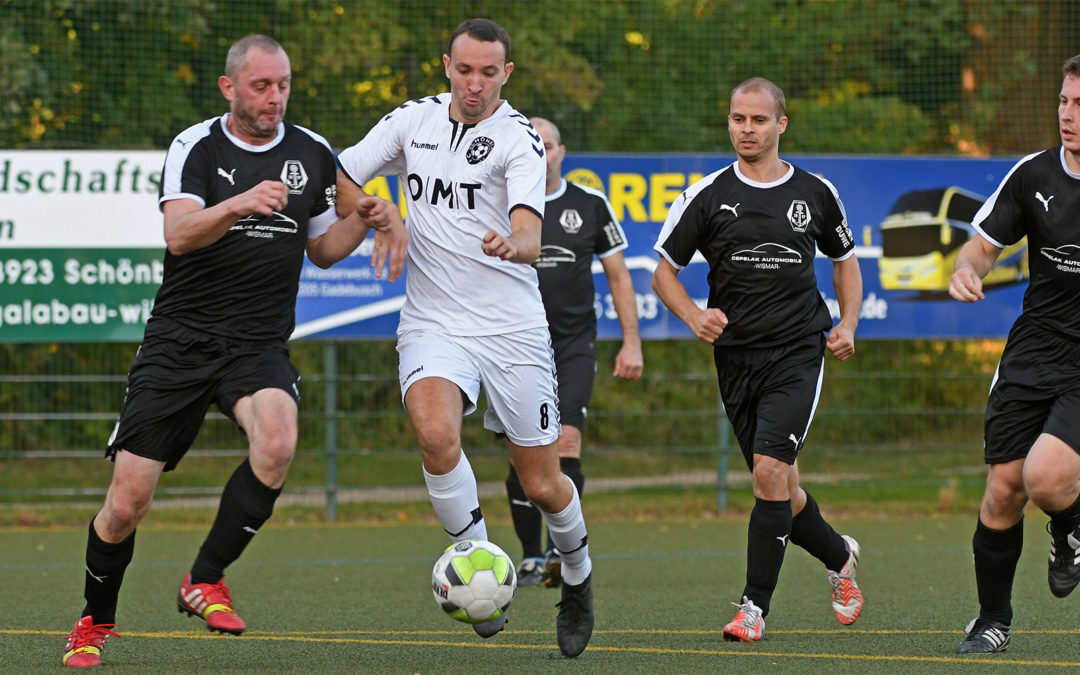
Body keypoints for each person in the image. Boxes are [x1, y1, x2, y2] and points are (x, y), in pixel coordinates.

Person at [60, 34, 403, 668]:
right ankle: (94, 620)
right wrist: (242, 200)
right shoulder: (197, 146)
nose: (275, 98)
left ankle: (204, 578)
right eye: (260, 86)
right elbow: (180, 234)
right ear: (229, 88)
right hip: (179, 342)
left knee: (277, 442)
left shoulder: (311, 153)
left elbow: (324, 250)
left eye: (283, 86)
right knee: (126, 503)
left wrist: (370, 217)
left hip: (257, 344)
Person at [334, 19, 595, 657]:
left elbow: (533, 235)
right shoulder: (410, 121)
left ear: (506, 74)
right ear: (445, 65)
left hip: (512, 328)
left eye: (488, 72)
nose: (474, 84)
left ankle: (579, 579)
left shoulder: (521, 140)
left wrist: (515, 244)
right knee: (433, 433)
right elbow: (338, 181)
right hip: (434, 321)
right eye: (464, 70)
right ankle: (477, 563)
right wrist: (381, 211)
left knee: (541, 484)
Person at [651, 77, 865, 642]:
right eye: (737, 119)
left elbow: (845, 261)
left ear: (781, 124)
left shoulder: (815, 193)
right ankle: (840, 557)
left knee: (769, 474)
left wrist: (847, 323)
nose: (746, 129)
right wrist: (695, 317)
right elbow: (662, 274)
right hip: (736, 360)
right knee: (781, 488)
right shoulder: (707, 195)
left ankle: (753, 609)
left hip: (798, 350)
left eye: (758, 120)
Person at [949, 54, 1080, 655]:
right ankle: (992, 620)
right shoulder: (1034, 175)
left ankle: (1070, 523)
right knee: (1003, 490)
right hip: (1033, 350)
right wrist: (965, 270)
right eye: (1063, 102)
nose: (1068, 116)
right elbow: (981, 247)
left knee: (1046, 479)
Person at [506, 117, 643, 588]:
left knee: (565, 442)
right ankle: (529, 557)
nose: (540, 153)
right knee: (520, 453)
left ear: (562, 152)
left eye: (547, 145)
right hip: (515, 344)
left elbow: (620, 277)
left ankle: (564, 556)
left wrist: (631, 341)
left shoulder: (589, 205)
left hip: (573, 346)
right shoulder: (501, 204)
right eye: (532, 146)